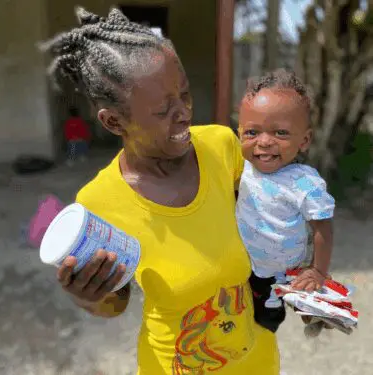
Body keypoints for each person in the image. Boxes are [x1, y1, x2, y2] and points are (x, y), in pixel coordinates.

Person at [40, 7, 279, 375]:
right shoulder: (99, 203)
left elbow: (252, 228)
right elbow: (116, 302)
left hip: (257, 357)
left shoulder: (220, 146)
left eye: (184, 95)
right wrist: (91, 299)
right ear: (114, 121)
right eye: (164, 109)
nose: (184, 113)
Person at [236, 69, 335, 334]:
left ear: (304, 140)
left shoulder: (304, 182)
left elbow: (322, 228)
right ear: (239, 134)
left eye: (280, 133)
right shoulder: (241, 168)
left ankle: (310, 310)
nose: (264, 142)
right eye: (252, 133)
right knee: (239, 314)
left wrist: (317, 271)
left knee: (268, 319)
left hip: (285, 271)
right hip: (243, 267)